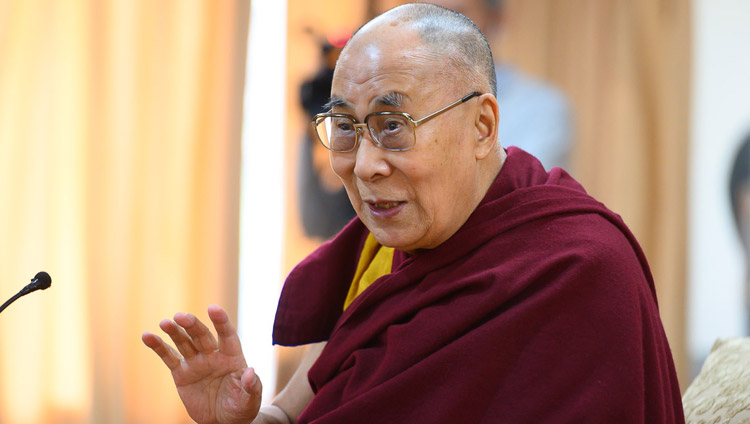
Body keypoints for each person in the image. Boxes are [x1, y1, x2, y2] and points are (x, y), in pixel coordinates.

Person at [142, 4, 684, 423]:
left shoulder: (578, 271)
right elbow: (295, 407)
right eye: (347, 130)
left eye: (393, 125)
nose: (365, 166)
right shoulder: (387, 247)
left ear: (483, 128)